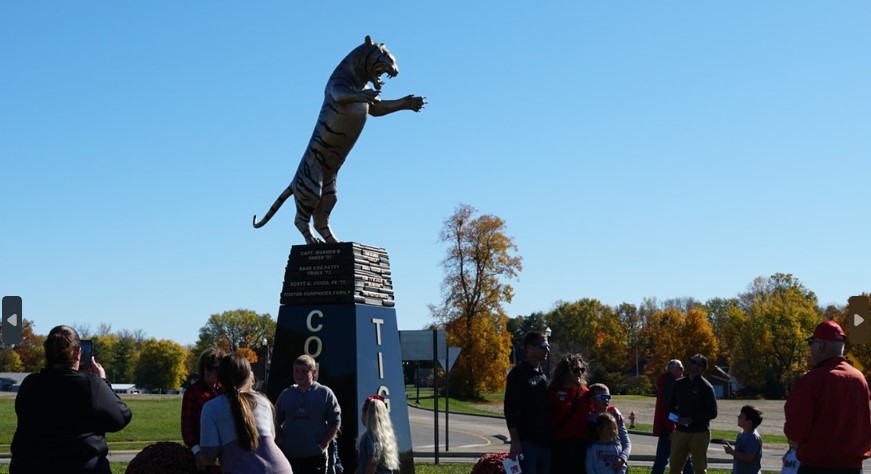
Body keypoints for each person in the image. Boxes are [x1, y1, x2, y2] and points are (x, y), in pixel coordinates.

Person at [10, 325, 133, 473]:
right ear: (78, 353)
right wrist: (103, 381)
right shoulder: (91, 385)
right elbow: (121, 418)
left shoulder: (30, 384)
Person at [784, 320, 871, 473]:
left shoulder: (812, 380)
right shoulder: (860, 379)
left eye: (812, 342)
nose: (811, 347)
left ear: (821, 345)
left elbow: (795, 430)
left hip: (818, 467)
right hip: (854, 468)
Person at [197, 353, 292, 473]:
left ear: (220, 378)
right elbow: (271, 438)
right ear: (248, 375)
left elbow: (209, 455)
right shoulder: (263, 400)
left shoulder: (211, 408)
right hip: (281, 469)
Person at [275, 354, 341, 473]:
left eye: (304, 371)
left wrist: (323, 444)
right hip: (290, 456)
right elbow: (274, 419)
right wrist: (280, 439)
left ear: (314, 372)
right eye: (297, 370)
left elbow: (335, 421)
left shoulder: (325, 393)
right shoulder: (286, 394)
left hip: (316, 457)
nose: (299, 374)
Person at [504, 331, 552, 474]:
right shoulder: (517, 374)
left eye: (548, 346)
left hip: (545, 442)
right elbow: (510, 409)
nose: (547, 350)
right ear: (529, 347)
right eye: (543, 346)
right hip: (527, 442)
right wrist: (515, 441)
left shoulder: (542, 374)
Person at [668, 353, 717, 474]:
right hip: (680, 432)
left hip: (699, 433)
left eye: (694, 362)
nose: (690, 363)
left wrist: (691, 419)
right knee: (674, 468)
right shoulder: (678, 384)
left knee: (699, 469)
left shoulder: (706, 387)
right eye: (690, 360)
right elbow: (670, 406)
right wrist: (676, 418)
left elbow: (713, 412)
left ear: (701, 368)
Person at [181, 347, 225, 472]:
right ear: (202, 368)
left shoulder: (226, 391)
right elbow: (186, 428)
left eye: (217, 368)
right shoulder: (192, 392)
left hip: (226, 453)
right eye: (209, 368)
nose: (213, 372)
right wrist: (197, 452)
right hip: (203, 454)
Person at [548, 354, 592, 473]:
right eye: (575, 369)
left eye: (582, 370)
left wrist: (613, 409)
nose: (579, 373)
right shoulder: (552, 392)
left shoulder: (586, 393)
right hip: (559, 447)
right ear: (565, 371)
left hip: (581, 447)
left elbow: (599, 409)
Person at [652, 359, 693, 474]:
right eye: (679, 368)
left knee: (661, 459)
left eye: (682, 368)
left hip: (667, 428)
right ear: (671, 370)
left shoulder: (665, 382)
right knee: (684, 458)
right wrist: (672, 428)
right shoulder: (670, 384)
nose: (682, 370)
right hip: (671, 429)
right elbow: (667, 409)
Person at [586, 383, 630, 472]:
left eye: (608, 397)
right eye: (602, 397)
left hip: (616, 464)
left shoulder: (616, 417)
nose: (606, 400)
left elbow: (626, 442)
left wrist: (622, 458)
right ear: (592, 400)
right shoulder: (589, 419)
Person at [355, 395, 400, 474]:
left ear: (367, 414)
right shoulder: (385, 436)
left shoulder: (369, 436)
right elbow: (364, 465)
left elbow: (372, 463)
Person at [723, 405, 763, 474]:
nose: (738, 417)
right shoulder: (741, 434)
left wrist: (732, 452)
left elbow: (748, 457)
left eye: (741, 416)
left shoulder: (753, 437)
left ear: (749, 422)